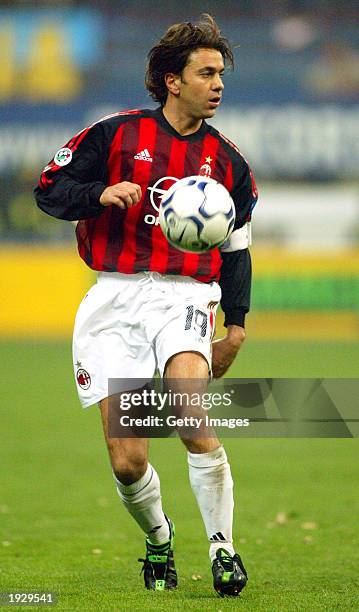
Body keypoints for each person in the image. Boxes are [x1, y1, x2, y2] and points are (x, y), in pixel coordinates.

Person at [34, 14, 257, 598]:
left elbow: (236, 250)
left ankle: (223, 551)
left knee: (188, 414)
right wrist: (100, 193)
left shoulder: (229, 163)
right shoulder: (113, 135)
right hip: (115, 296)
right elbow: (49, 190)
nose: (218, 84)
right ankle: (159, 538)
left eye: (221, 73)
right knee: (128, 459)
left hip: (187, 296)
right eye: (206, 73)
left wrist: (235, 325)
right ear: (171, 80)